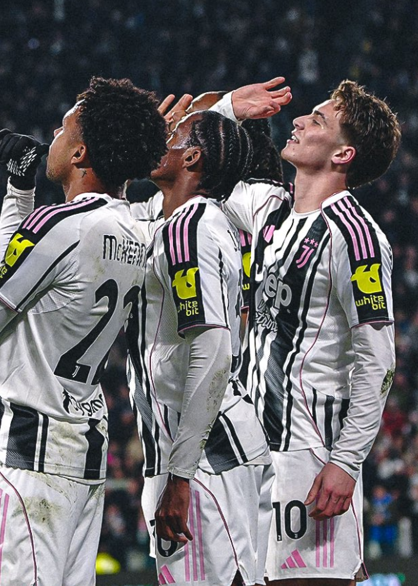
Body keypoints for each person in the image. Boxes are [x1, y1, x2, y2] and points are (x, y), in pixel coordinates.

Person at [0, 77, 167, 585]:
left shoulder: (59, 224)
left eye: (63, 127)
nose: (53, 133)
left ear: (79, 152)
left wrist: (24, 204)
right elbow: (17, 276)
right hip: (83, 453)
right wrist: (19, 190)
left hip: (22, 452)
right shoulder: (138, 231)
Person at [214, 78, 400, 584]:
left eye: (317, 120)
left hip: (310, 456)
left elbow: (378, 361)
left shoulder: (356, 238)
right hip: (248, 454)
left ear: (343, 154)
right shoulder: (267, 208)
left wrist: (346, 462)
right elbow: (201, 160)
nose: (297, 121)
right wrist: (231, 108)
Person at [126, 106, 274, 585]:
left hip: (207, 458)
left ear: (191, 158)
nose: (161, 141)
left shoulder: (187, 229)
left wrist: (181, 475)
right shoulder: (191, 223)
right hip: (199, 453)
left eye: (172, 136)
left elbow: (212, 350)